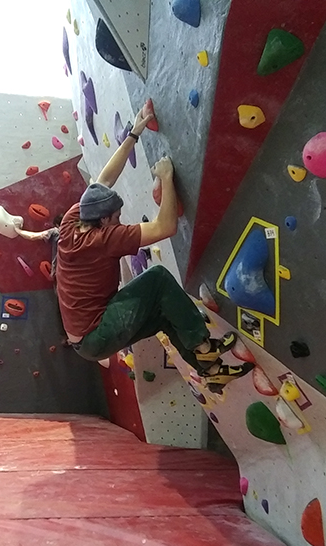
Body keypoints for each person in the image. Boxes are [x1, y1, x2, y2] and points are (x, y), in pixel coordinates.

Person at [54, 101, 254, 393]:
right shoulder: (102, 240)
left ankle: (211, 371)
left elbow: (103, 180)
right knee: (158, 278)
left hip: (87, 338)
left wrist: (134, 134)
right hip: (96, 333)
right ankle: (203, 346)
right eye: (117, 217)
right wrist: (166, 177)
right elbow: (165, 227)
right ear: (104, 220)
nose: (120, 220)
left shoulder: (76, 218)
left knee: (164, 313)